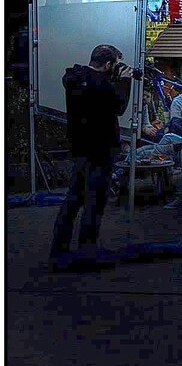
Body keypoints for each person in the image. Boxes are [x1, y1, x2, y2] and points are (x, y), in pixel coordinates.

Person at [50, 45, 134, 263]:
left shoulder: (73, 78)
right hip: (101, 150)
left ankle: (59, 248)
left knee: (73, 199)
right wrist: (125, 80)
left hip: (79, 147)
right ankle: (88, 251)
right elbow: (119, 106)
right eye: (114, 64)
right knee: (94, 201)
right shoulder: (103, 85)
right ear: (108, 64)